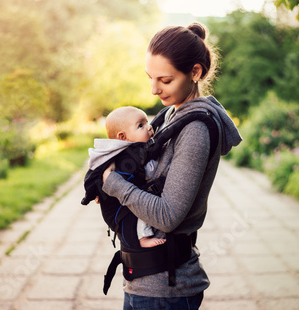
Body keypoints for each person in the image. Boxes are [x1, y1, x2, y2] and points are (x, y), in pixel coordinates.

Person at [101, 22, 242, 310]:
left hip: (165, 290)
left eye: (164, 80)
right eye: (150, 78)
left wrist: (115, 185)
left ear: (195, 72)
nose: (153, 89)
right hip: (147, 282)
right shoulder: (168, 116)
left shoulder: (195, 130)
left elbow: (167, 216)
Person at [87, 105, 166, 248]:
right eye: (141, 125)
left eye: (147, 122)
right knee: (141, 209)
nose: (149, 127)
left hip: (122, 200)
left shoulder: (131, 151)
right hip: (120, 212)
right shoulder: (126, 156)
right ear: (123, 137)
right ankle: (143, 237)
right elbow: (95, 172)